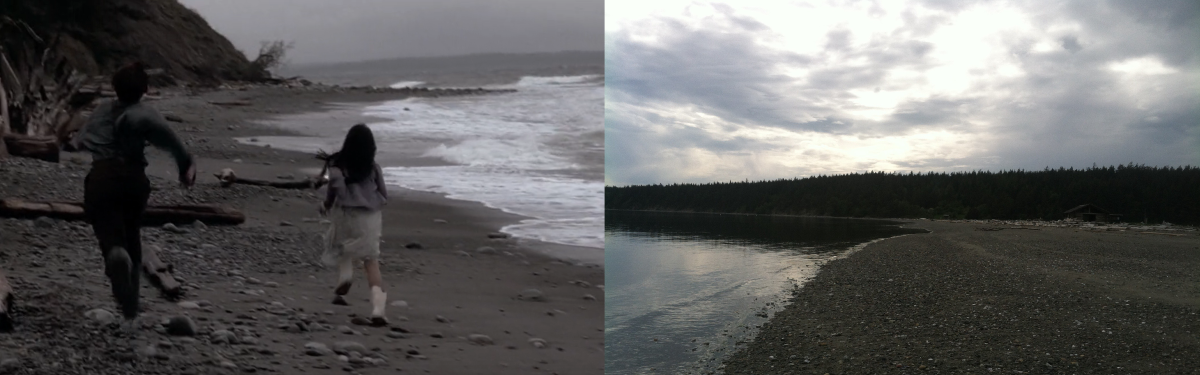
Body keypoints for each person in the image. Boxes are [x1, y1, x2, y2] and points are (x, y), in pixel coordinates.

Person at [74, 62, 196, 329]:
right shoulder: (146, 113)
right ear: (146, 89)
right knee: (133, 235)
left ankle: (116, 258)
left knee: (109, 233)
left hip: (102, 177)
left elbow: (79, 141)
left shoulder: (102, 109)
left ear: (113, 88)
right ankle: (131, 309)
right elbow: (172, 143)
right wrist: (186, 167)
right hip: (134, 180)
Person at [320, 123, 390, 326]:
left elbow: (333, 192)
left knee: (341, 244)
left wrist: (326, 205)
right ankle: (378, 309)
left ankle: (346, 275)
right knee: (371, 261)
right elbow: (384, 194)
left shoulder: (337, 167)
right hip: (370, 218)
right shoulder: (373, 167)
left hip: (346, 213)